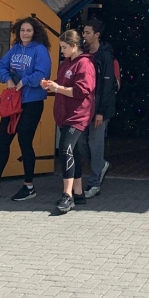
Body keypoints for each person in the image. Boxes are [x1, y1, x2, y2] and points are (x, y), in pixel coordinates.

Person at [0, 16, 52, 202]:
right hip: (13, 103)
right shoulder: (15, 49)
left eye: (28, 30)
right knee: (3, 140)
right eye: (22, 30)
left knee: (25, 141)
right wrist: (7, 79)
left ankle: (29, 186)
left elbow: (42, 73)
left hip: (31, 102)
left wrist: (24, 82)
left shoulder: (40, 50)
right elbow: (1, 66)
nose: (25, 33)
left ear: (35, 33)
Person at [42, 29, 96, 215]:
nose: (62, 51)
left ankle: (67, 195)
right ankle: (78, 192)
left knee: (65, 148)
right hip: (65, 114)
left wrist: (58, 88)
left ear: (74, 46)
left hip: (77, 115)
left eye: (64, 47)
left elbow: (82, 91)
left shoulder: (85, 64)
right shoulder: (66, 63)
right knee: (72, 150)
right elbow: (63, 83)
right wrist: (51, 85)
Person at [81, 17, 116, 199]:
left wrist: (101, 112)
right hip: (83, 107)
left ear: (97, 35)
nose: (84, 36)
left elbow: (108, 86)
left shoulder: (105, 56)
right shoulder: (83, 53)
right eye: (84, 32)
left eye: (87, 32)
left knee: (95, 145)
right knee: (81, 143)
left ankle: (94, 183)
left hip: (98, 108)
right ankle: (100, 165)